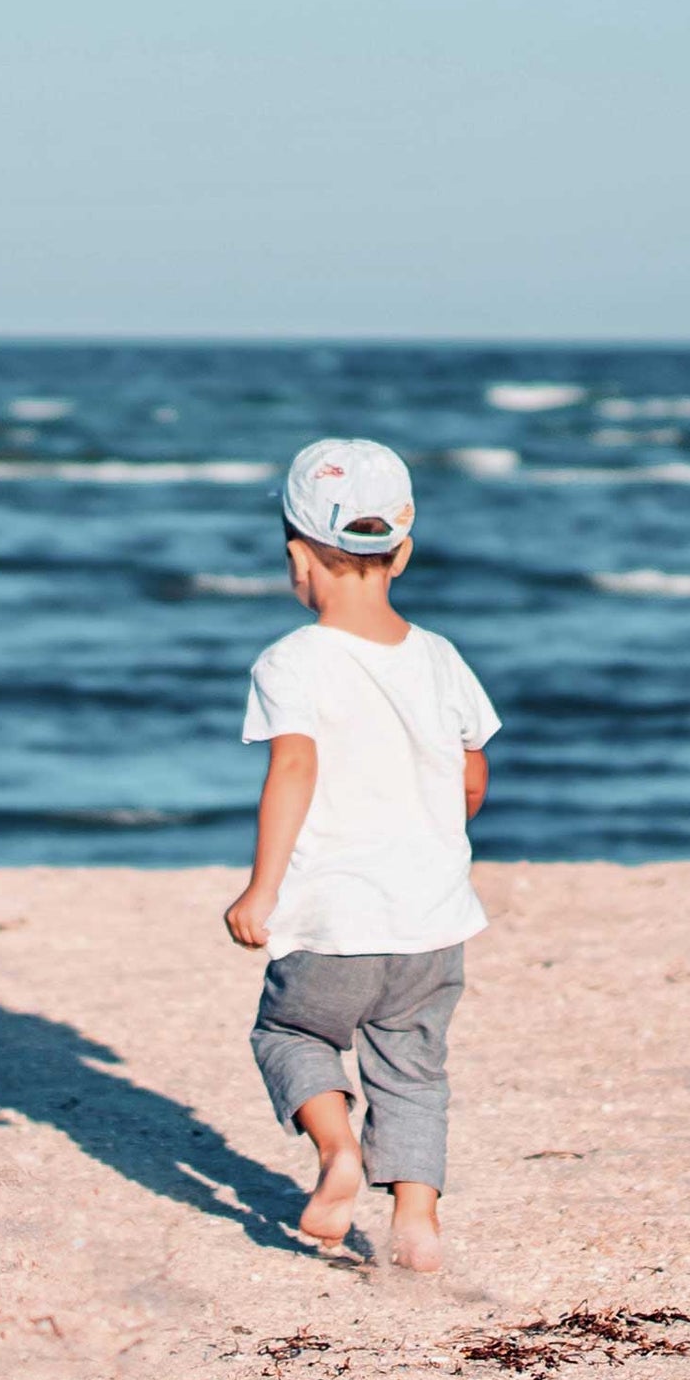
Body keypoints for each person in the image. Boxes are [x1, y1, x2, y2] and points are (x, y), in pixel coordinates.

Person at [223, 439, 498, 1270]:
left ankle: (339, 1152)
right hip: (431, 920)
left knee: (291, 1034)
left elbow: (295, 768)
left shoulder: (291, 662)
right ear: (402, 553)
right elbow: (472, 776)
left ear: (296, 558)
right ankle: (416, 1218)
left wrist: (260, 891)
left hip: (336, 919)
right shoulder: (442, 658)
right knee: (412, 1065)